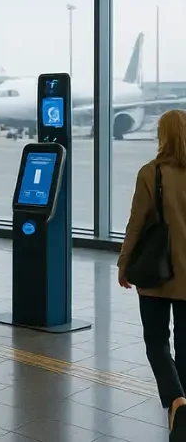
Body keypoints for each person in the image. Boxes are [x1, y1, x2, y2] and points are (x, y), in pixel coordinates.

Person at [119, 109, 186, 438]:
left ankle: (176, 400)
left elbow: (136, 224)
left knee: (157, 342)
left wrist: (123, 263)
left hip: (157, 274)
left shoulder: (151, 173)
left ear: (162, 135)